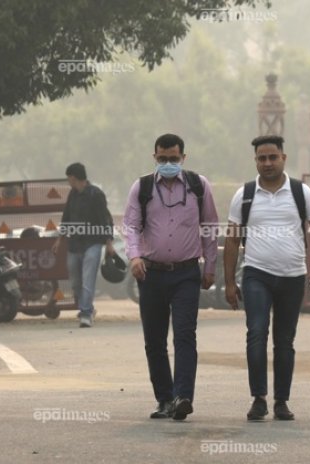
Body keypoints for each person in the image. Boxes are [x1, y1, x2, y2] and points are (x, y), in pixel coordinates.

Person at [224, 135, 310, 421]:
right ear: (255, 161)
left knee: (285, 341)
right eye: (262, 158)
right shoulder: (244, 195)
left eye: (273, 157)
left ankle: (281, 401)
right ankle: (258, 399)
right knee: (256, 334)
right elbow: (232, 241)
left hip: (292, 277)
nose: (267, 163)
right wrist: (230, 283)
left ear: (283, 158)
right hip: (256, 275)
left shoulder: (301, 193)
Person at [122, 133, 218, 421]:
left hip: (187, 273)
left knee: (185, 335)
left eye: (173, 159)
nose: (168, 164)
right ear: (154, 158)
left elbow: (210, 226)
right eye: (162, 159)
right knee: (154, 339)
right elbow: (130, 226)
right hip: (151, 273)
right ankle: (164, 399)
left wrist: (210, 266)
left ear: (183, 158)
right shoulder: (142, 188)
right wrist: (135, 256)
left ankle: (183, 396)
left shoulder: (199, 186)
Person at [52, 163, 115, 328]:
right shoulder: (73, 194)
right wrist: (60, 239)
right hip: (74, 244)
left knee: (88, 280)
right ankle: (88, 308)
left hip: (93, 243)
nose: (68, 182)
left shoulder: (96, 194)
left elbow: (105, 219)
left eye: (69, 179)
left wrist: (109, 243)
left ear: (75, 178)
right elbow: (66, 216)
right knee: (75, 282)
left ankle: (85, 314)